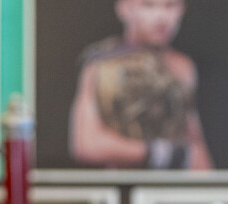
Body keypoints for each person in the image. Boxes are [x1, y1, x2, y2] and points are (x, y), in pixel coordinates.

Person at [69, 0, 213, 169]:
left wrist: (210, 184)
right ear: (124, 8)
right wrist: (155, 152)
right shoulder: (103, 65)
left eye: (170, 5)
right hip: (122, 181)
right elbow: (86, 143)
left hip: (171, 183)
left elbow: (194, 143)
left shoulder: (182, 67)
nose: (161, 17)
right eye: (148, 5)